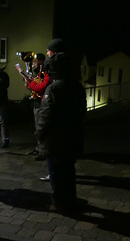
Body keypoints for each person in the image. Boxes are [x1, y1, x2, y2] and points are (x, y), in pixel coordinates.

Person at [36, 39, 87, 214]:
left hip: (56, 140)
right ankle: (70, 200)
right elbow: (82, 111)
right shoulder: (77, 87)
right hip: (73, 136)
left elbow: (46, 116)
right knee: (69, 171)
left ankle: (58, 203)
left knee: (56, 173)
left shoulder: (54, 89)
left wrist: (40, 133)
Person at [24, 53, 49, 161]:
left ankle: (43, 151)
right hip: (36, 101)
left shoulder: (44, 72)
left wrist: (31, 83)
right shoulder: (35, 72)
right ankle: (39, 148)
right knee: (37, 127)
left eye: (36, 61)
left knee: (41, 128)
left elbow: (40, 87)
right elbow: (31, 88)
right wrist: (28, 82)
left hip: (41, 102)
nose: (34, 63)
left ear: (41, 61)